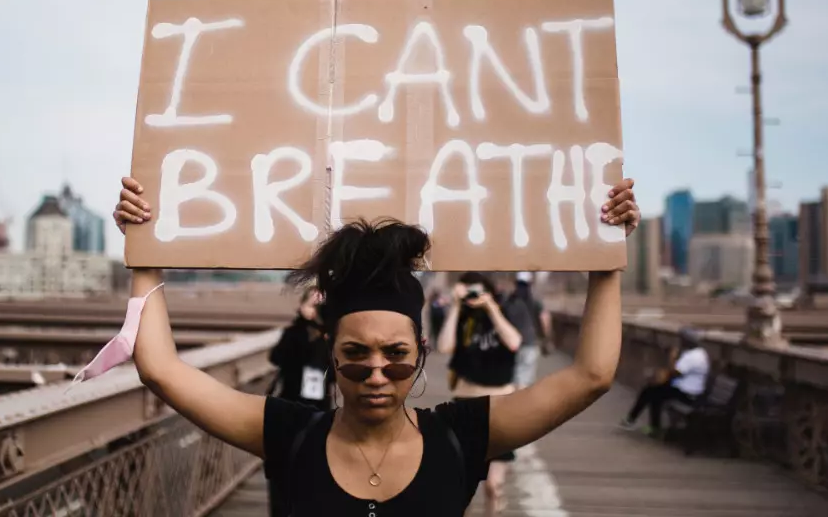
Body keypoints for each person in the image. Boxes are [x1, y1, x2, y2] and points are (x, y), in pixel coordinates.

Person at [112, 175, 639, 516]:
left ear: (422, 351)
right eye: (356, 357)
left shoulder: (462, 436)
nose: (378, 374)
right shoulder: (289, 434)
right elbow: (160, 369)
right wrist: (145, 249)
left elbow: (590, 375)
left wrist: (606, 259)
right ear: (332, 353)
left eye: (396, 356)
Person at [436, 271, 533, 515]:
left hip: (500, 405)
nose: (473, 296)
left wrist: (490, 307)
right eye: (468, 290)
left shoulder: (505, 309)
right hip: (465, 404)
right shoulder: (461, 316)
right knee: (463, 484)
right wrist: (456, 307)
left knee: (494, 485)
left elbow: (513, 342)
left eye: (477, 290)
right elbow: (444, 346)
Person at [620, 327, 710, 436]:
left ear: (687, 341)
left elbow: (674, 373)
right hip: (684, 389)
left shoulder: (693, 357)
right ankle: (645, 424)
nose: (680, 341)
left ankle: (638, 422)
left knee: (652, 392)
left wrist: (671, 357)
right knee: (651, 391)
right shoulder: (698, 353)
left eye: (682, 339)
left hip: (688, 394)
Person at [268, 285, 333, 411]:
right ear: (302, 306)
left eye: (320, 307)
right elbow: (275, 357)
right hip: (293, 395)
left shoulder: (329, 335)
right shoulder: (294, 332)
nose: (316, 311)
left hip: (318, 399)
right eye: (312, 305)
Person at [505, 271, 553, 390]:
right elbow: (544, 319)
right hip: (530, 342)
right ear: (530, 284)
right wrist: (546, 337)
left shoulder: (509, 301)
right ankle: (521, 404)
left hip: (511, 343)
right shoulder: (535, 300)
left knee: (513, 376)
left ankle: (512, 401)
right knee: (525, 377)